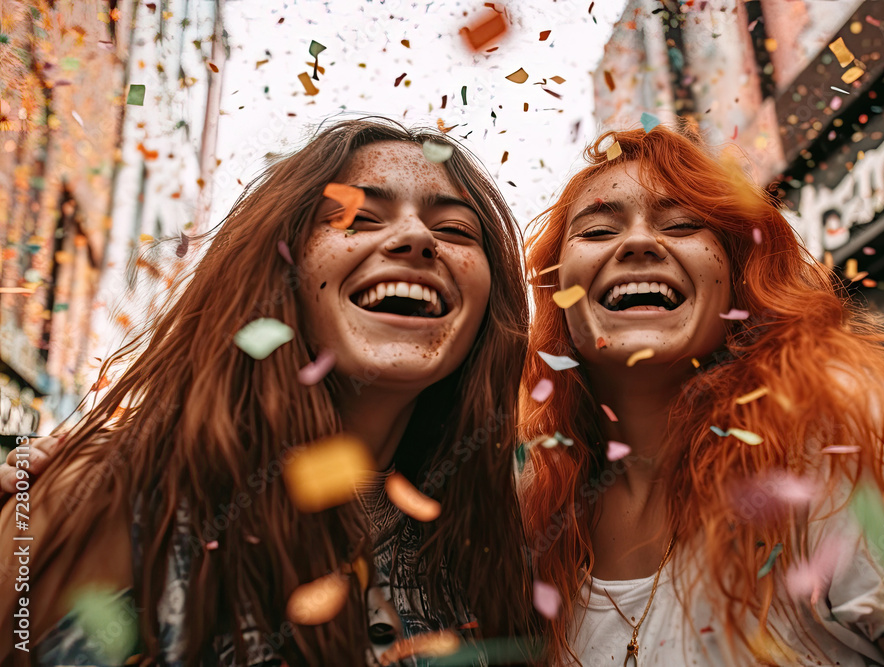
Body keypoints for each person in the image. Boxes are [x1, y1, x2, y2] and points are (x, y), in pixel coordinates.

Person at [0, 117, 539, 666]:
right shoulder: (114, 494)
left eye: (454, 230)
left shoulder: (491, 550)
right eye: (356, 217)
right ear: (283, 266)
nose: (417, 238)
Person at [518, 124, 884, 666]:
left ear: (738, 279)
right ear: (557, 291)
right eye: (598, 231)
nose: (638, 243)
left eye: (681, 224)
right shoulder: (534, 512)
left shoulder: (833, 444)